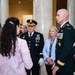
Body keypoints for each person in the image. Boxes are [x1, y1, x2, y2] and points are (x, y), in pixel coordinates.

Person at [52, 9, 75, 75]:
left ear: (64, 16)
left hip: (66, 66)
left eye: (58, 15)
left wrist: (58, 65)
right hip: (61, 65)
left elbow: (67, 49)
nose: (56, 17)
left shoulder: (68, 29)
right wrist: (56, 63)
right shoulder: (62, 29)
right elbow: (59, 48)